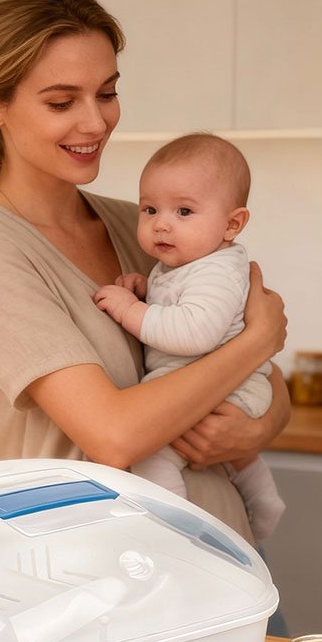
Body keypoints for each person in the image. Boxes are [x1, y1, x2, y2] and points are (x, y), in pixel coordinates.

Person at [0, 0, 289, 548]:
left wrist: (252, 431)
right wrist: (258, 340)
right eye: (62, 102)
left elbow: (270, 387)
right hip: (93, 579)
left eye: (106, 93)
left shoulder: (147, 228)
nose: (95, 122)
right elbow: (113, 436)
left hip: (221, 565)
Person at [93, 133, 286, 541]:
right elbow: (180, 300)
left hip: (228, 388)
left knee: (153, 459)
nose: (161, 223)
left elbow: (194, 332)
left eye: (184, 211)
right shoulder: (191, 262)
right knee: (236, 457)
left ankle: (176, 534)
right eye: (150, 209)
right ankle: (265, 498)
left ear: (233, 224)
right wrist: (146, 290)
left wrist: (130, 311)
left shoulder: (217, 270)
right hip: (234, 384)